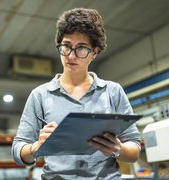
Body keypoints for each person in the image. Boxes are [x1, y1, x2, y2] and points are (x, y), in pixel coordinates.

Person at [11, 7, 141, 179]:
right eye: (66, 46)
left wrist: (118, 149)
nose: (71, 56)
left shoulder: (112, 91)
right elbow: (18, 150)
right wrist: (36, 147)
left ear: (94, 52)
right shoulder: (40, 95)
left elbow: (135, 149)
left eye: (81, 48)